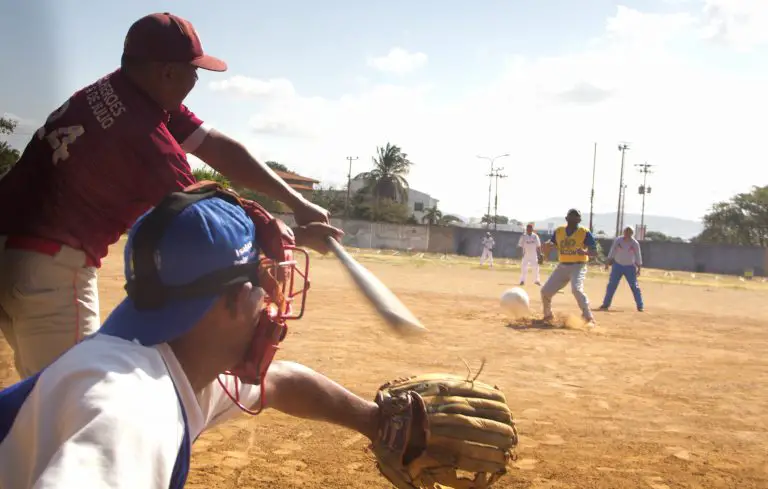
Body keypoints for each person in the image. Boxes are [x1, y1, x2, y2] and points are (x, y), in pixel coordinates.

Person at [0, 12, 333, 379]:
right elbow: (211, 229)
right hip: (50, 270)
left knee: (41, 394)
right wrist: (293, 236)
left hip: (14, 250)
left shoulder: (119, 89)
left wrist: (297, 202)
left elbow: (217, 147)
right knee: (76, 402)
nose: (196, 79)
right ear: (167, 73)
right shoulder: (147, 139)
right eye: (193, 71)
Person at [0, 185, 380, 488]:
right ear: (232, 300)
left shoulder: (173, 361)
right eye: (262, 288)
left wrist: (375, 421)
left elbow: (282, 381)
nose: (268, 304)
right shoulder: (135, 407)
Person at [540, 209, 598, 325]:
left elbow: (594, 252)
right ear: (566, 219)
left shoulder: (584, 232)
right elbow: (552, 244)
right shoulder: (559, 231)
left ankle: (588, 316)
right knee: (545, 291)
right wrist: (548, 245)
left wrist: (585, 252)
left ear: (579, 220)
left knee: (576, 289)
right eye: (571, 217)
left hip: (578, 266)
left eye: (575, 217)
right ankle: (548, 315)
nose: (573, 219)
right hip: (562, 267)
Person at [599, 226, 644, 312]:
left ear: (632, 233)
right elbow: (612, 251)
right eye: (626, 231)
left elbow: (638, 256)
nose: (627, 233)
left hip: (630, 267)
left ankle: (640, 305)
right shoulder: (618, 240)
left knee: (634, 286)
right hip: (617, 266)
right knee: (611, 285)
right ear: (624, 232)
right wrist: (607, 263)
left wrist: (639, 268)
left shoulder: (635, 243)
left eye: (629, 232)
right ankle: (606, 304)